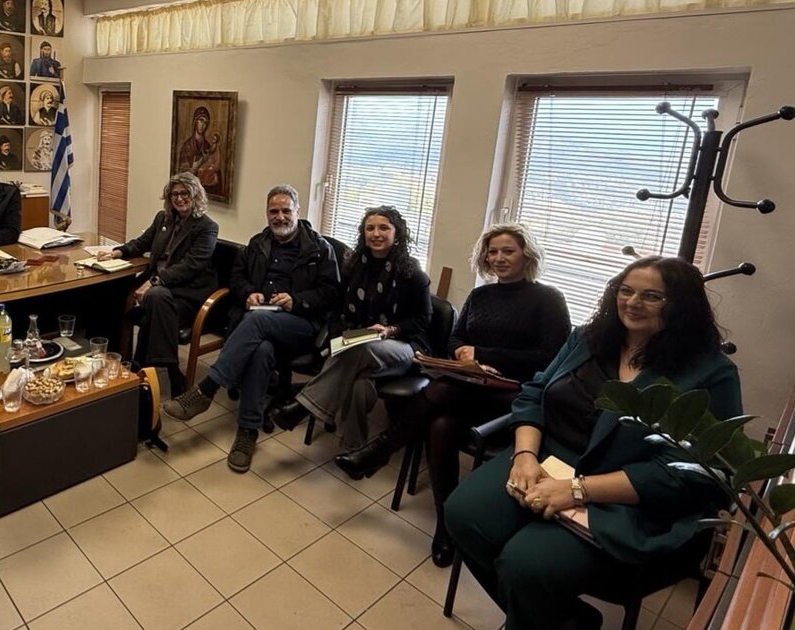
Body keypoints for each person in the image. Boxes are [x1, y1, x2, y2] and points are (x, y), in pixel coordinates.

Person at [444, 256, 741, 630]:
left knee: (524, 565)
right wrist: (524, 456)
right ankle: (567, 619)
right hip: (547, 458)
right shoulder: (587, 339)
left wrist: (577, 490)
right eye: (626, 291)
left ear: (682, 305)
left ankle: (537, 614)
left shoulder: (711, 372)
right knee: (462, 516)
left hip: (624, 492)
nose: (633, 302)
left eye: (652, 296)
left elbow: (691, 470)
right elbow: (534, 394)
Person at [337, 223, 571, 567]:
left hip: (517, 398)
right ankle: (445, 528)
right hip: (471, 388)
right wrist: (463, 353)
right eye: (493, 252)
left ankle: (381, 449)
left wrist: (486, 356)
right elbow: (455, 339)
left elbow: (551, 358)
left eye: (508, 251)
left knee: (443, 389)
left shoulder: (548, 299)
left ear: (527, 255)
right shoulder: (480, 296)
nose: (499, 258)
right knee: (440, 426)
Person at [162, 185, 341, 473]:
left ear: (298, 211)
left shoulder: (319, 249)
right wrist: (248, 294)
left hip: (301, 323)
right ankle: (247, 432)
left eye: (286, 210)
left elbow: (332, 293)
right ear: (267, 213)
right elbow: (237, 278)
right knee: (261, 350)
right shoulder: (258, 243)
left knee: (256, 322)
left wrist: (297, 301)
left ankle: (207, 389)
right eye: (274, 211)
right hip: (259, 320)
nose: (280, 217)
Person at [271, 206, 431, 448]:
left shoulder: (411, 272)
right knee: (359, 385)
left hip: (405, 345)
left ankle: (303, 407)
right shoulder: (354, 266)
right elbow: (339, 308)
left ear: (397, 234)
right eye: (370, 228)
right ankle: (353, 450)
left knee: (358, 349)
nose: (376, 233)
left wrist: (391, 330)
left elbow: (422, 320)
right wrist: (340, 333)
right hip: (362, 341)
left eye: (384, 228)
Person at [97, 173, 219, 394]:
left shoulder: (207, 227)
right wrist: (117, 252)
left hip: (187, 293)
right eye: (174, 194)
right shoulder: (163, 219)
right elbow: (142, 243)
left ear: (196, 195)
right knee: (123, 291)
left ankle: (143, 366)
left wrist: (155, 282)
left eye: (185, 193)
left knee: (155, 298)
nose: (179, 198)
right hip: (161, 291)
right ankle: (169, 371)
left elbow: (191, 266)